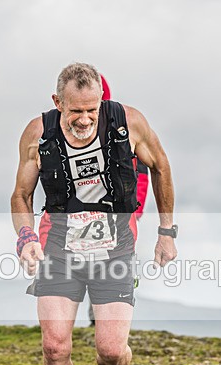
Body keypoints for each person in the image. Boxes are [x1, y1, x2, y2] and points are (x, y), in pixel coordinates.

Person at [10, 63, 177, 365]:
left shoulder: (129, 121)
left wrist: (166, 232)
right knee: (54, 347)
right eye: (75, 112)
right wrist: (25, 238)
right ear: (58, 103)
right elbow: (20, 194)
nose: (85, 119)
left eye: (92, 110)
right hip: (59, 249)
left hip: (114, 250)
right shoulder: (38, 133)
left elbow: (161, 167)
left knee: (112, 351)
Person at [88, 74, 150, 327]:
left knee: (114, 264)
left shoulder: (124, 129)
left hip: (121, 217)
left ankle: (112, 316)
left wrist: (136, 210)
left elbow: (142, 173)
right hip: (86, 217)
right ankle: (95, 315)